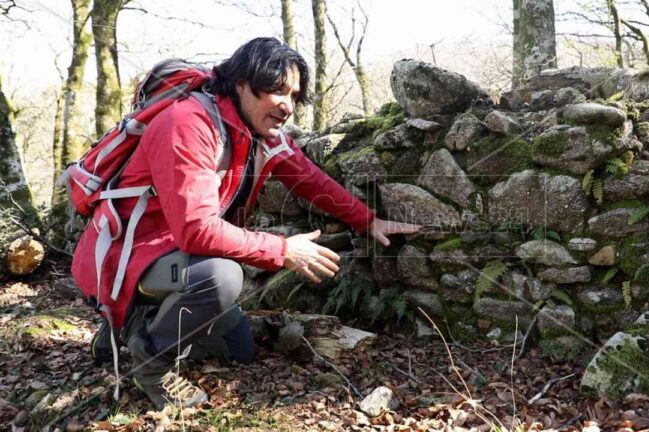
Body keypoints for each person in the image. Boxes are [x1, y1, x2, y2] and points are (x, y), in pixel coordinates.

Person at [72, 37, 420, 409]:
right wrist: (283, 250)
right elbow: (197, 230)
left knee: (238, 349)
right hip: (126, 259)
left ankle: (129, 326)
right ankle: (151, 364)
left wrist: (367, 221)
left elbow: (309, 179)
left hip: (171, 259)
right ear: (240, 83)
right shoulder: (187, 123)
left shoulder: (259, 134)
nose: (287, 105)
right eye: (276, 90)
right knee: (221, 277)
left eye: (294, 94)